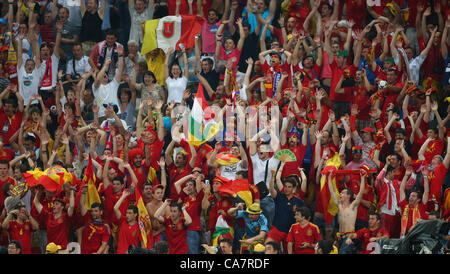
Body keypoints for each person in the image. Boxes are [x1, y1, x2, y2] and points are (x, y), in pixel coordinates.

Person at [328, 170, 366, 254]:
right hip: (340, 237)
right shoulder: (339, 205)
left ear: (348, 196)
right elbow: (332, 192)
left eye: (343, 193)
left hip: (349, 237)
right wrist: (329, 178)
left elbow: (360, 193)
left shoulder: (353, 206)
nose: (340, 194)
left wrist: (363, 178)